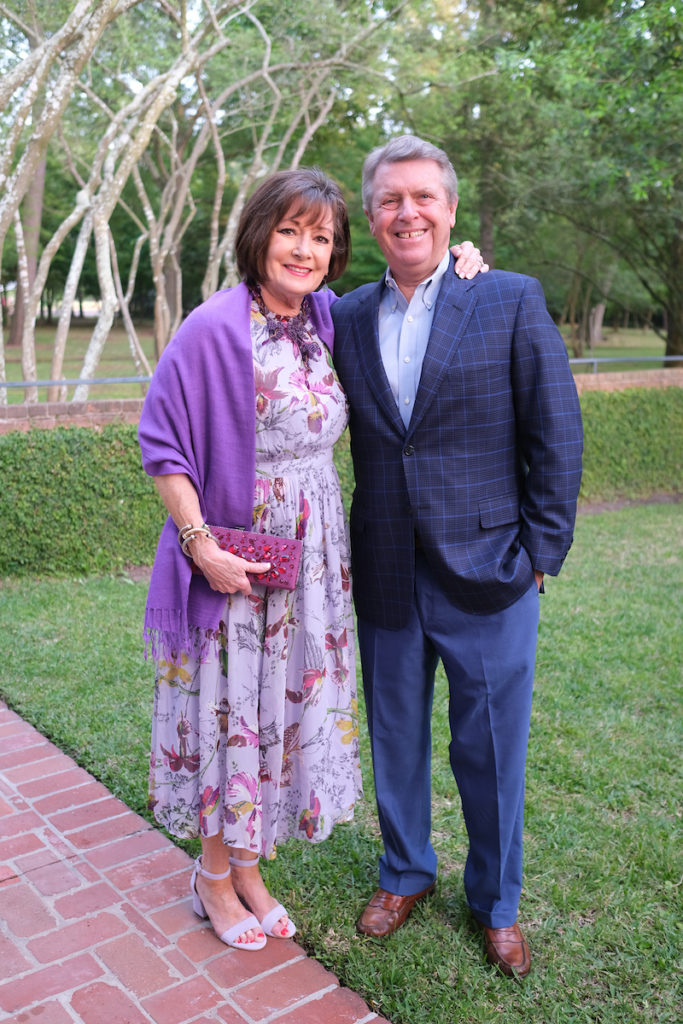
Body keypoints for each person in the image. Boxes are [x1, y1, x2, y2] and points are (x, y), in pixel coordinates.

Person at [138, 166, 484, 951]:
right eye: (289, 230)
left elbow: (413, 299)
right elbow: (162, 446)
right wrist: (202, 548)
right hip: (238, 557)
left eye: (321, 237)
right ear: (258, 233)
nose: (303, 248)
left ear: (334, 255)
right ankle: (213, 879)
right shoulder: (214, 326)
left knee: (276, 715)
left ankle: (250, 869)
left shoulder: (327, 318)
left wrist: (461, 263)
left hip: (318, 558)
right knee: (231, 713)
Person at [330, 136, 583, 977]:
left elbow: (555, 430)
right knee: (394, 737)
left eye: (423, 198)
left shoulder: (507, 297)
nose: (408, 212)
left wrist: (540, 551)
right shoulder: (346, 316)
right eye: (391, 200)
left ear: (448, 209)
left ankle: (496, 903)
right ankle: (403, 872)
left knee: (490, 750)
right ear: (370, 217)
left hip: (492, 574)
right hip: (387, 569)